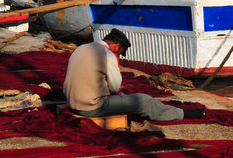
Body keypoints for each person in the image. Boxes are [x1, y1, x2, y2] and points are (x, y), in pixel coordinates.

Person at [63, 28, 204, 121]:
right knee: (143, 101)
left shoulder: (81, 48)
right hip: (91, 108)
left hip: (71, 103)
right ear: (117, 47)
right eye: (119, 52)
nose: (118, 55)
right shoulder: (108, 55)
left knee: (123, 98)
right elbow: (114, 87)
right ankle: (184, 114)